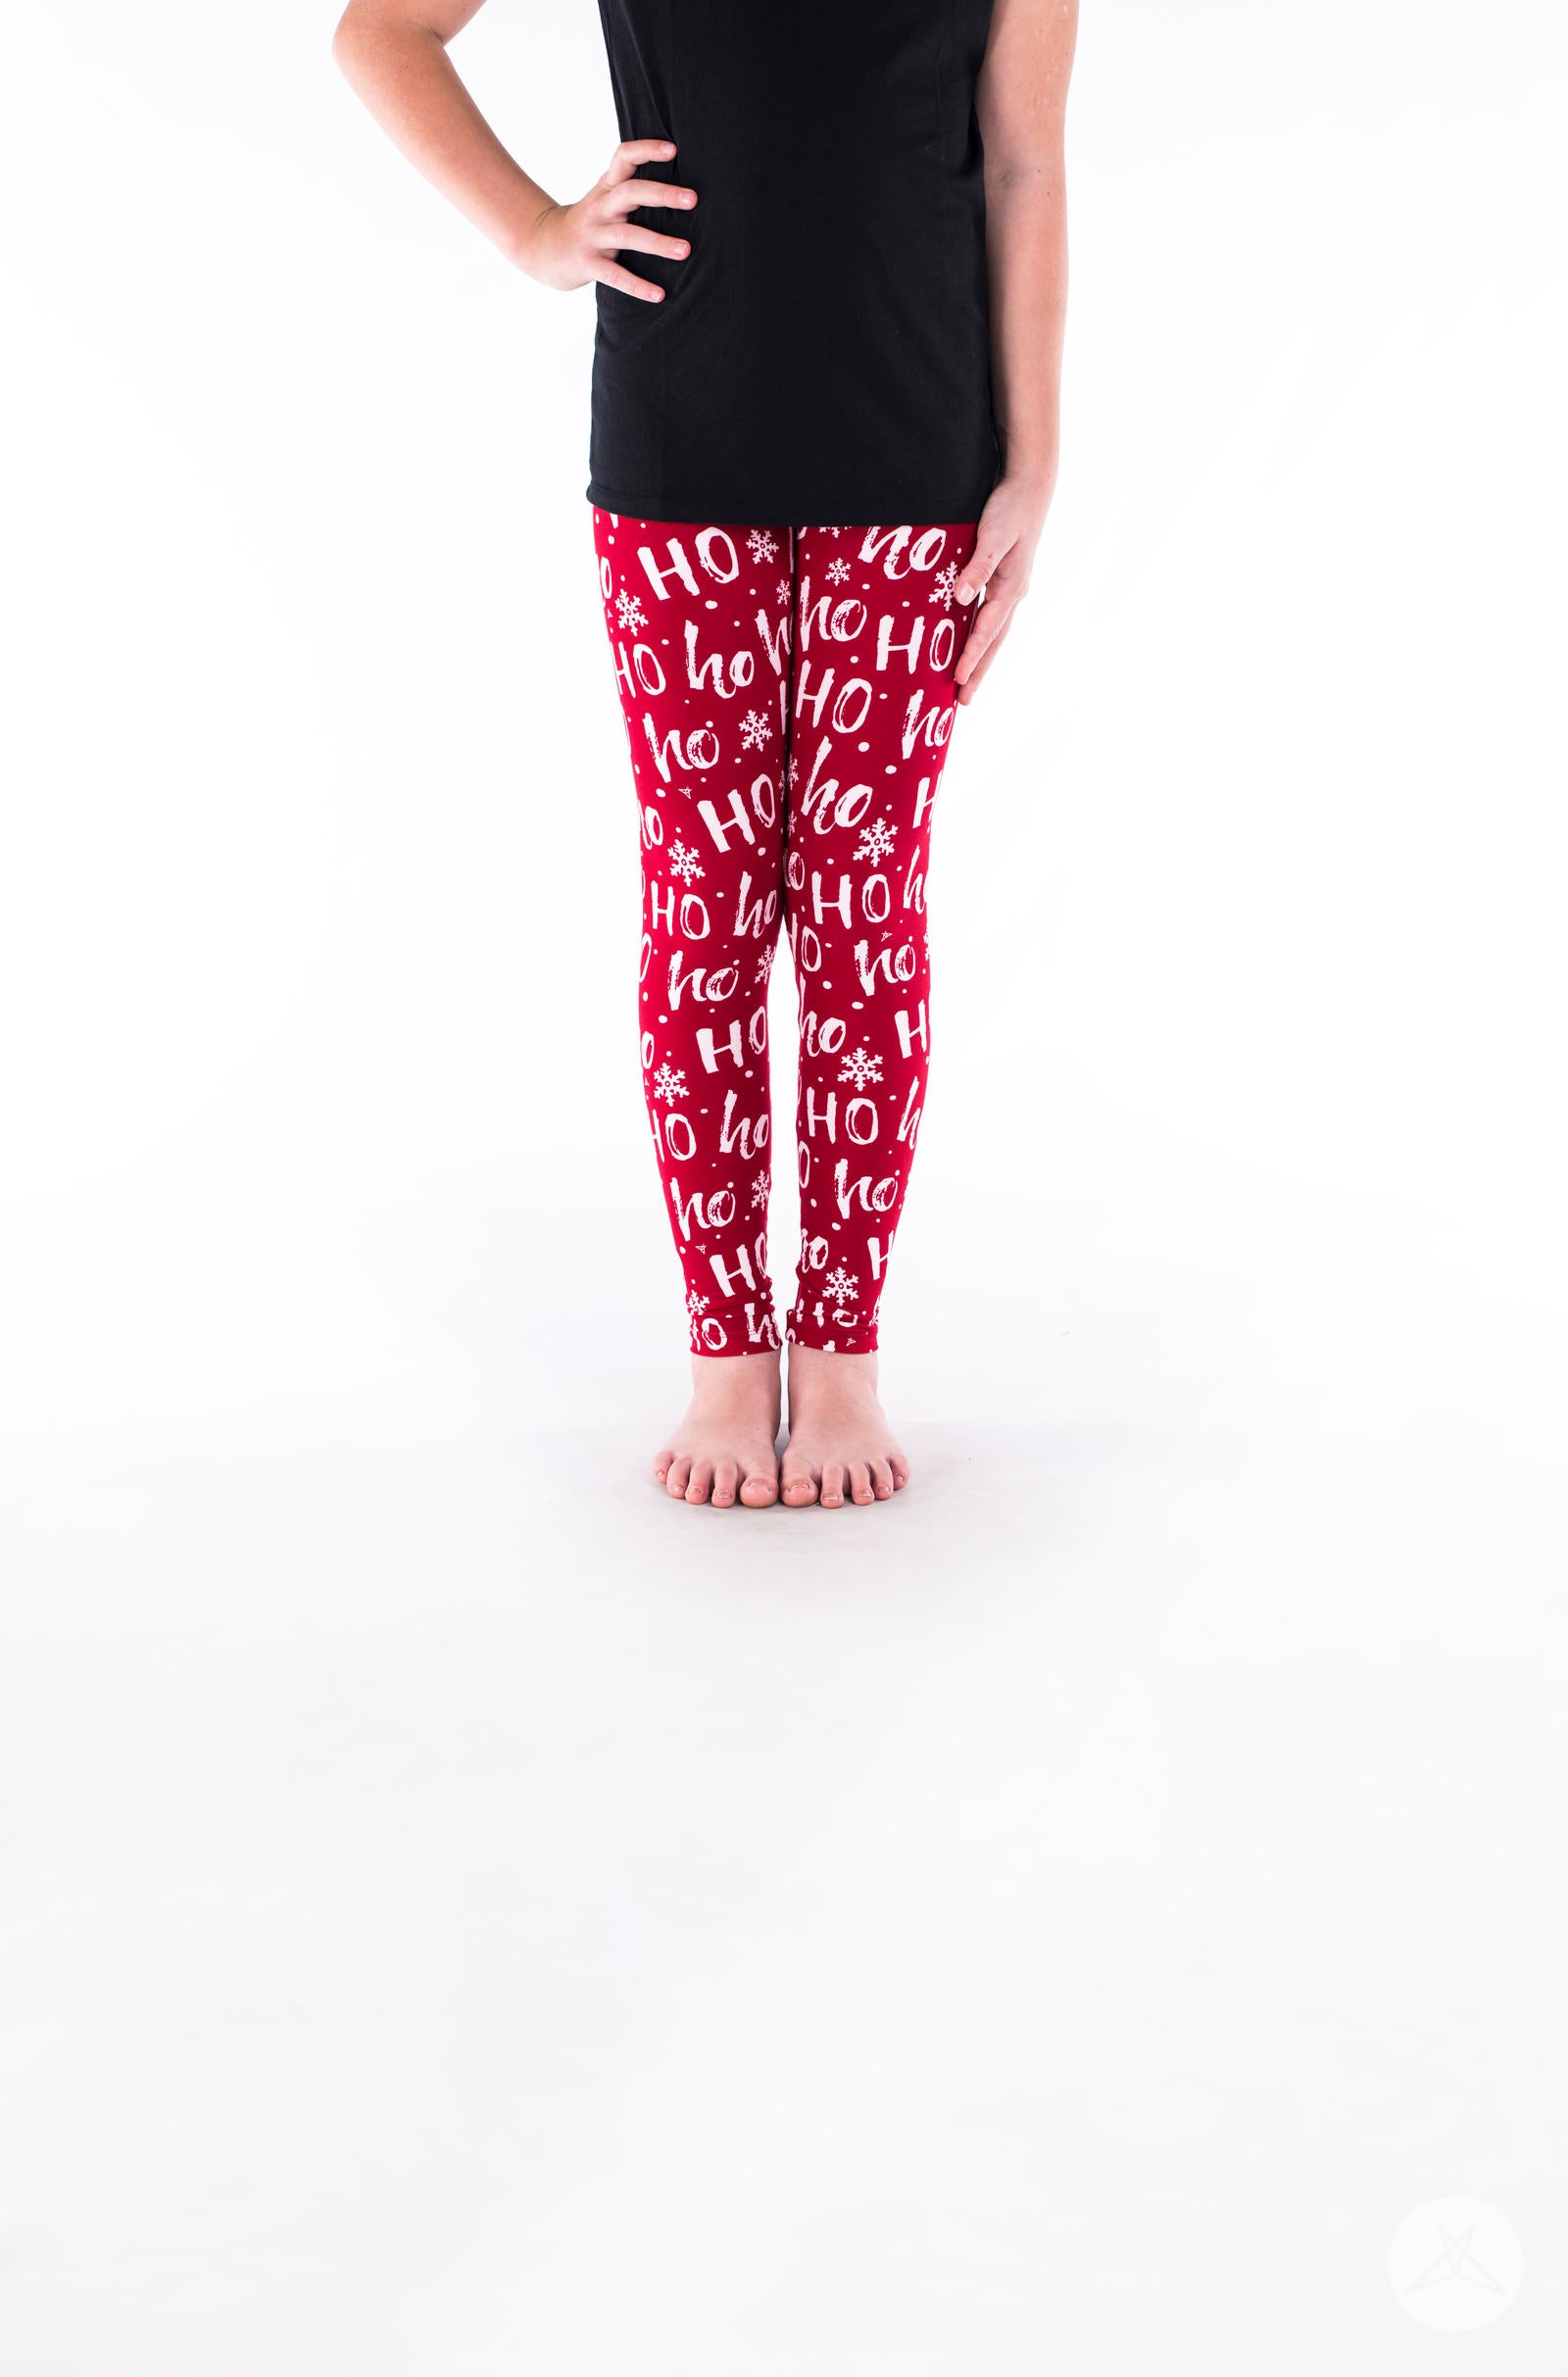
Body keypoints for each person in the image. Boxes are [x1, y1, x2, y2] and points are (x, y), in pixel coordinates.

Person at [332, 0, 1077, 1511]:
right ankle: (728, 1356)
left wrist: (1035, 465)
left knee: (864, 909)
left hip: (920, 450)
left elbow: (1022, 163)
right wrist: (536, 230)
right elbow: (384, 30)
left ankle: (843, 1351)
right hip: (682, 443)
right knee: (707, 907)